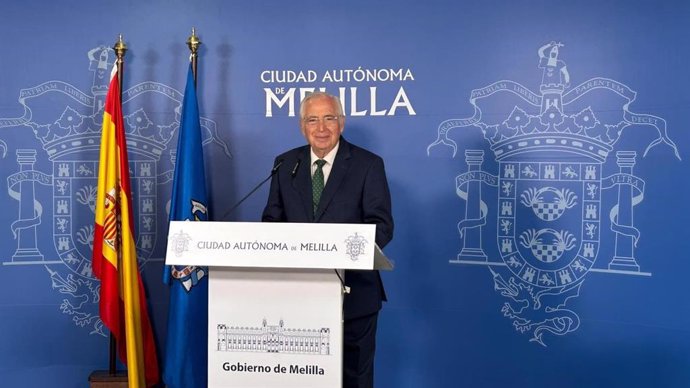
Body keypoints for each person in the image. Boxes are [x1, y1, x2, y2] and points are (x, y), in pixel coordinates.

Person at [262, 91, 394, 388]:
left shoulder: (368, 164)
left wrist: (340, 252)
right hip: (298, 293)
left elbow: (382, 226)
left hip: (355, 295)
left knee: (354, 378)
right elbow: (271, 222)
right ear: (302, 126)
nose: (321, 128)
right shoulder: (285, 164)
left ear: (342, 123)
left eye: (329, 118)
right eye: (313, 120)